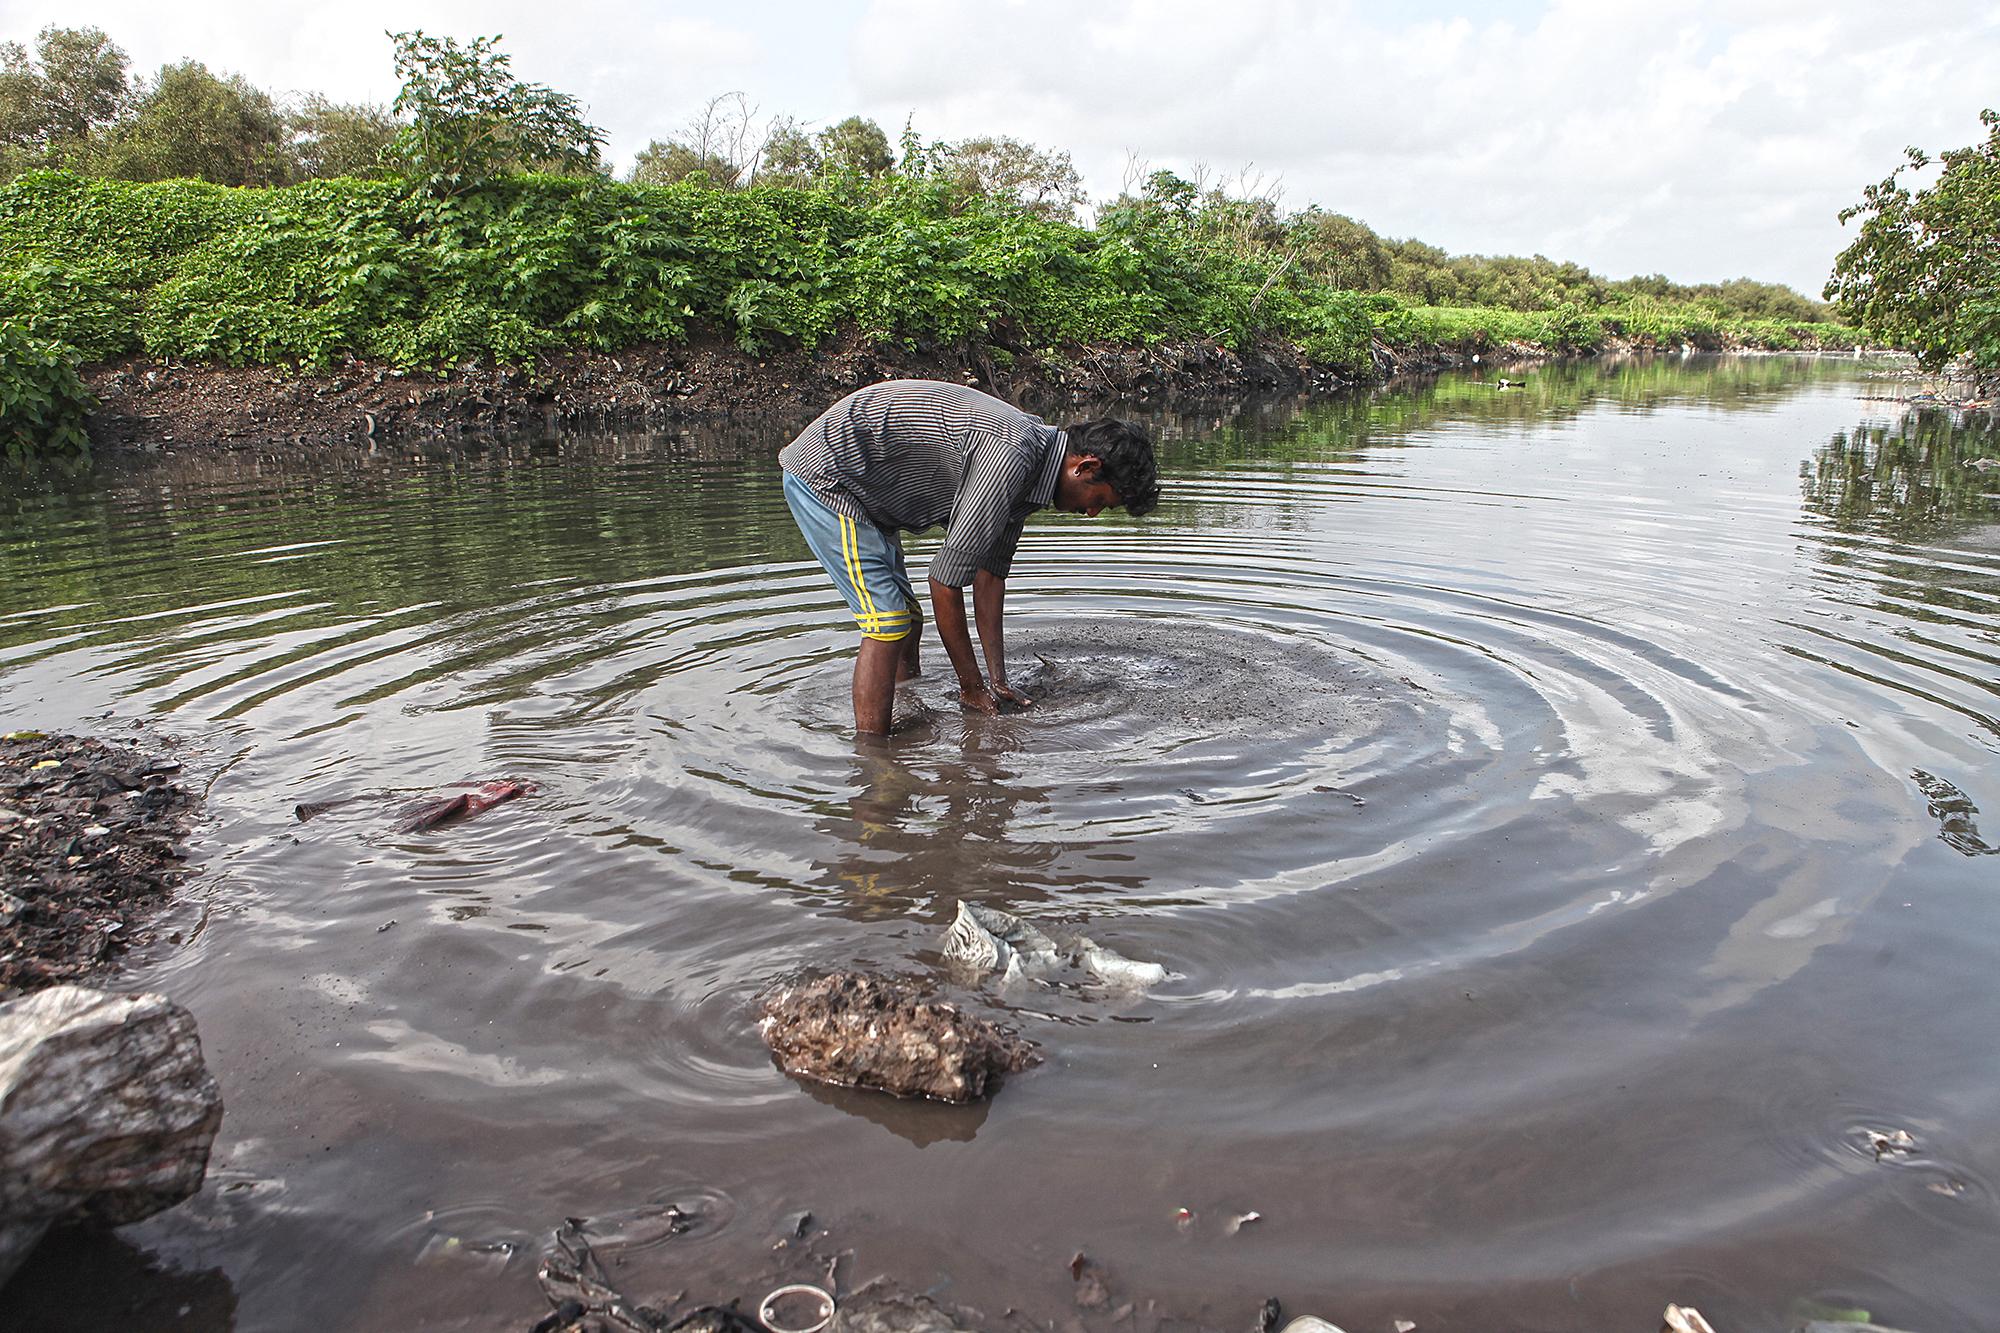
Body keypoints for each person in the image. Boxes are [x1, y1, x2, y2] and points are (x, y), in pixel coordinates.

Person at [779, 378, 1160, 736]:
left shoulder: (1033, 474)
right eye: (1099, 502)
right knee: (887, 620)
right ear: (1086, 467)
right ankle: (875, 761)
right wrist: (971, 688)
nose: (1091, 514)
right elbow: (944, 582)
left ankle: (906, 705)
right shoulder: (1010, 458)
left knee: (908, 619)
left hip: (874, 489)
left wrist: (997, 680)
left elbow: (988, 576)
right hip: (832, 476)